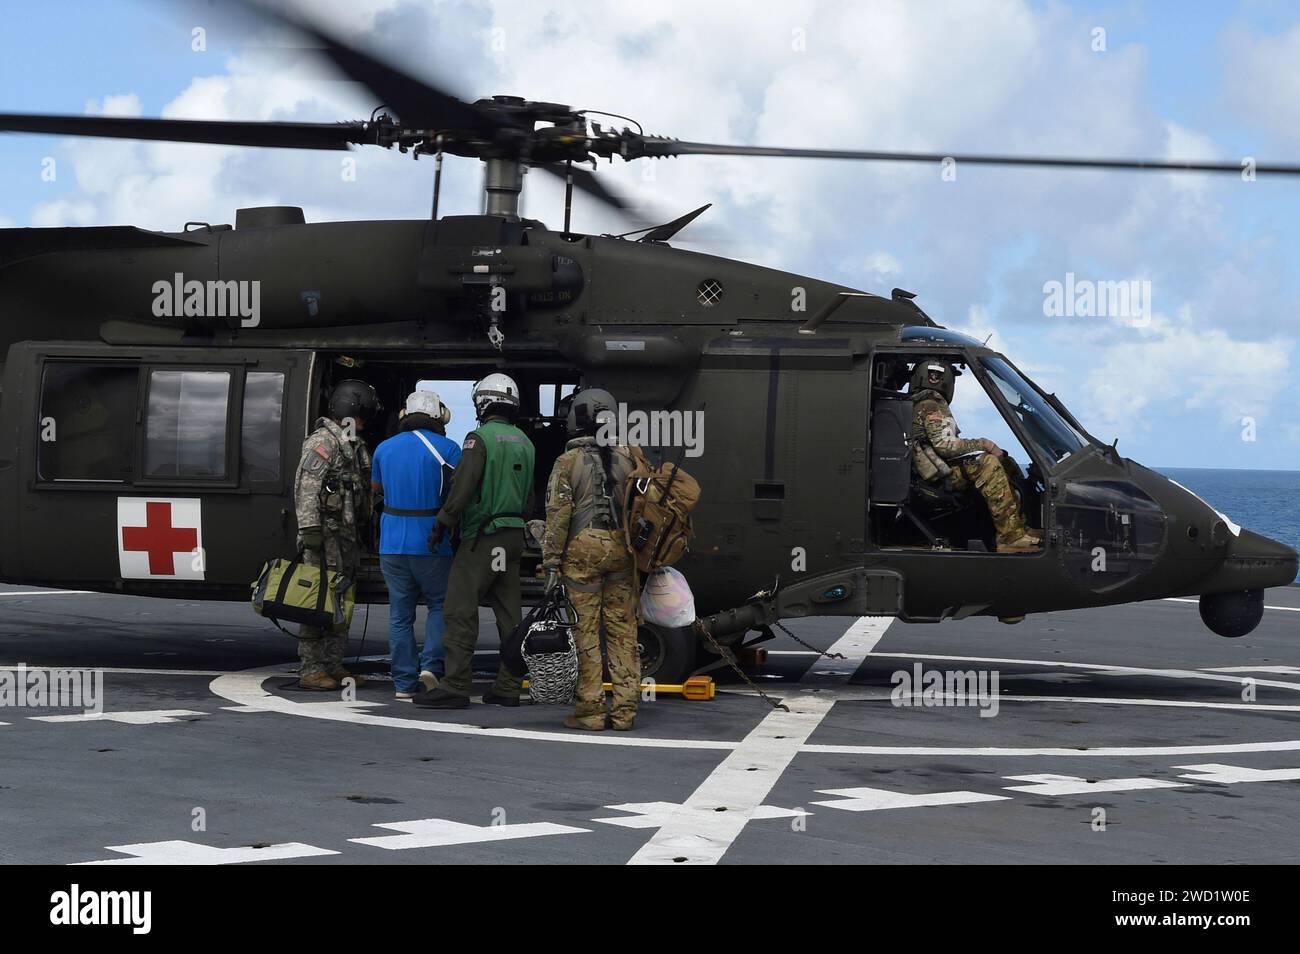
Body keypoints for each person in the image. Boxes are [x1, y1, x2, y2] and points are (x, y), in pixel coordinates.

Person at [414, 374, 535, 709]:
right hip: (512, 540)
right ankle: (509, 687)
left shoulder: (478, 440)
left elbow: (463, 488)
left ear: (482, 402)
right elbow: (529, 500)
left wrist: (443, 522)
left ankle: (455, 685)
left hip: (483, 538)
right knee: (510, 615)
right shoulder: (526, 441)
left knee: (459, 609)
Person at [541, 387, 640, 731]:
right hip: (624, 550)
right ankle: (625, 711)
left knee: (585, 634)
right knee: (623, 632)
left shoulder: (567, 462)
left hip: (583, 551)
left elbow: (558, 515)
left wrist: (551, 562)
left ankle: (591, 712)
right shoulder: (631, 456)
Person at [371, 390, 461, 701]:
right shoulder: (449, 449)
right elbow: (458, 496)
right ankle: (431, 667)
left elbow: (376, 490)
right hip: (433, 542)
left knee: (400, 614)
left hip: (392, 542)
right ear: (440, 416)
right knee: (439, 605)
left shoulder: (383, 449)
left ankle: (402, 683)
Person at [293, 380, 378, 690]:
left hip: (345, 537)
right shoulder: (323, 443)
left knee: (342, 599)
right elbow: (307, 488)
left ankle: (332, 663)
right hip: (325, 537)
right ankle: (311, 668)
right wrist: (310, 530)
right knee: (316, 599)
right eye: (363, 414)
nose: (366, 421)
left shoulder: (353, 445)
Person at [909, 360, 1040, 552]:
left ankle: (1018, 528)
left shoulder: (924, 402)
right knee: (989, 463)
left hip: (938, 468)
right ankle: (1009, 538)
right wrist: (986, 444)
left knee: (1007, 463)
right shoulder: (929, 405)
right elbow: (945, 446)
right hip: (937, 477)